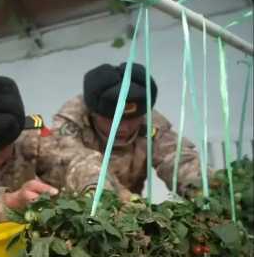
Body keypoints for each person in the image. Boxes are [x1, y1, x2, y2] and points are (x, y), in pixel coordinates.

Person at [0, 76, 127, 230]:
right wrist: (11, 202)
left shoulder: (30, 136)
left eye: (2, 148)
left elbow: (78, 161)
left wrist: (94, 191)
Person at [53, 62, 203, 196]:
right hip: (76, 208)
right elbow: (76, 161)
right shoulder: (72, 123)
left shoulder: (151, 125)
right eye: (113, 119)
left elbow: (176, 157)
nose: (124, 127)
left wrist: (202, 187)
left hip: (129, 213)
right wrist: (112, 197)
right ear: (93, 113)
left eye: (132, 119)